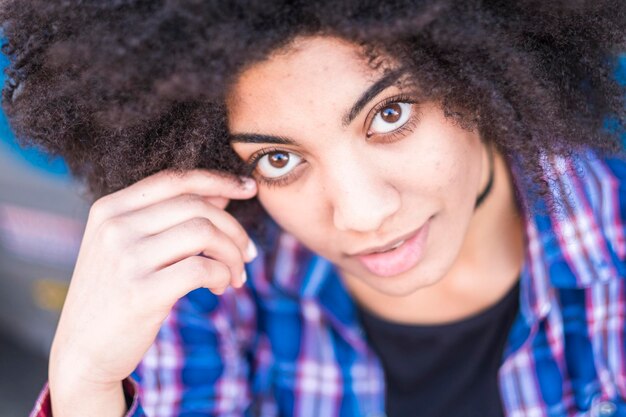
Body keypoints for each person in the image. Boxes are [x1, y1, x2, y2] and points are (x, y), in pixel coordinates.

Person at [1, 1, 625, 416]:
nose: (361, 214)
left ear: (485, 74)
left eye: (390, 114)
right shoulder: (210, 292)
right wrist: (85, 383)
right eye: (277, 159)